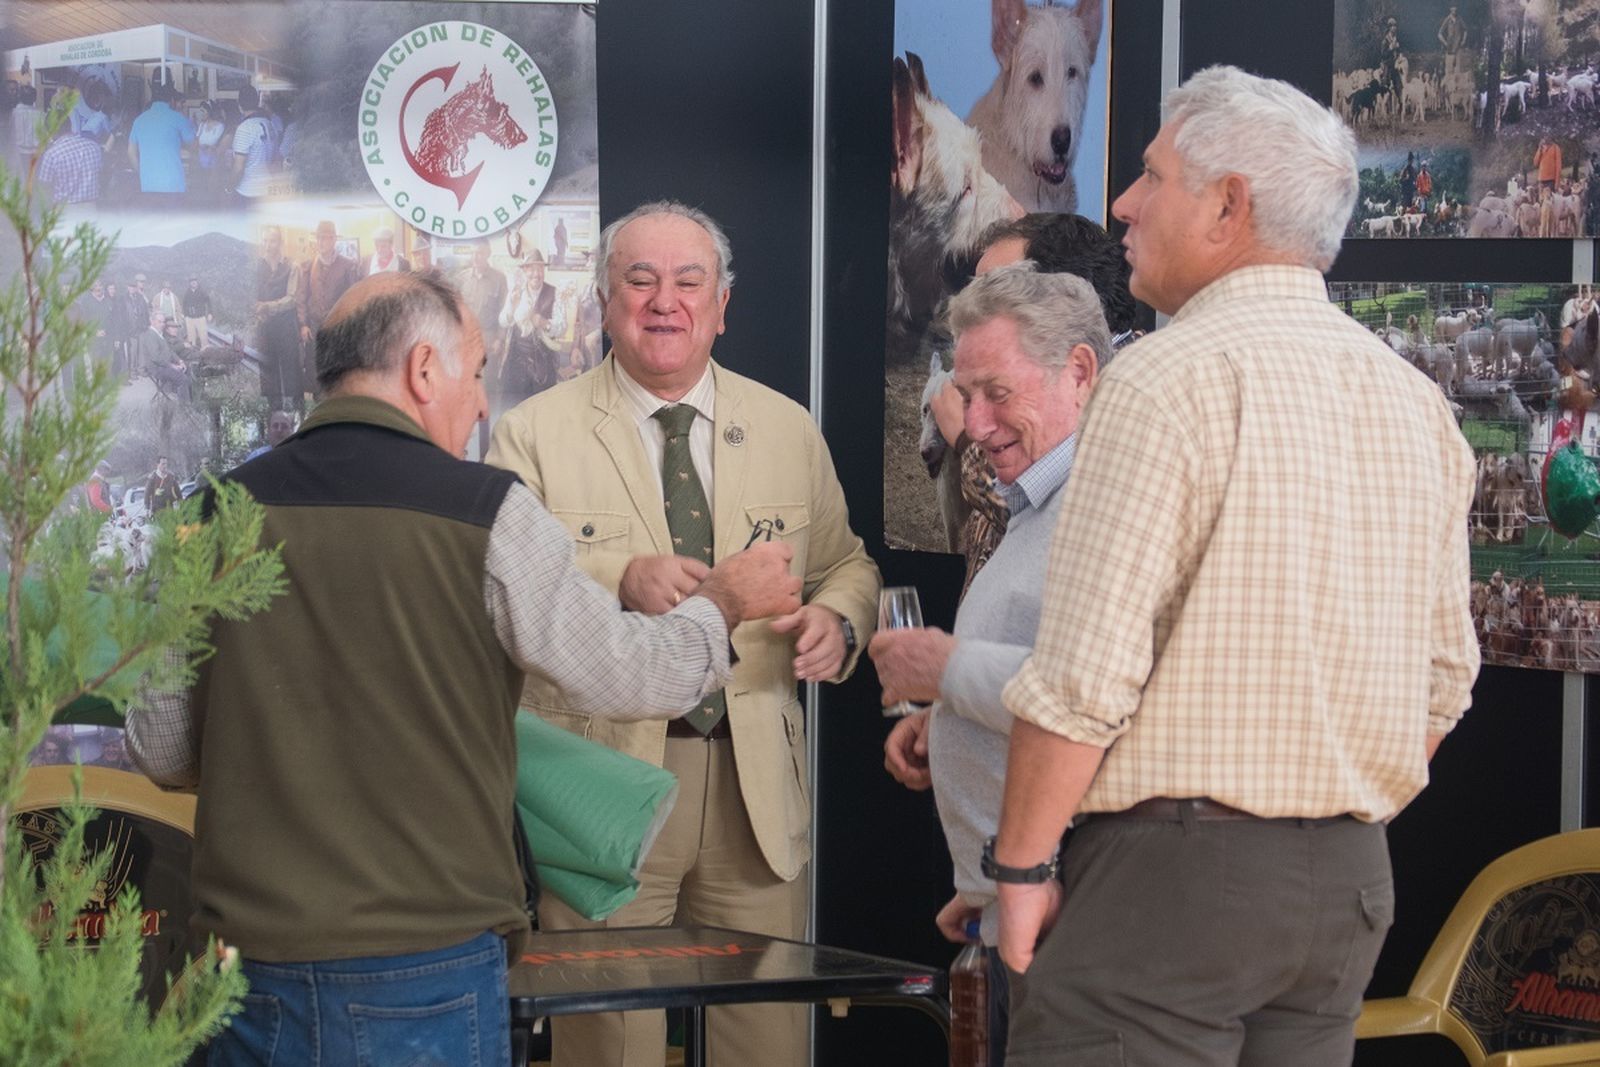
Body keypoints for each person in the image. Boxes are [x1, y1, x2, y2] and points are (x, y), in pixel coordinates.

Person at [125, 270, 804, 1067]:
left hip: (242, 965)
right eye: (477, 373)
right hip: (424, 964)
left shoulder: (213, 510)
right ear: (422, 369)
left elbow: (159, 745)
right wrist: (721, 601)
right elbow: (631, 674)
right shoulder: (487, 512)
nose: (483, 402)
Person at [990, 66, 1478, 1067]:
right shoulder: (1413, 399)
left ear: (1227, 206)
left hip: (1170, 880)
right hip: (1347, 876)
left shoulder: (1164, 377)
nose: (1120, 202)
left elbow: (1081, 680)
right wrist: (1322, 796)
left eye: (1150, 175)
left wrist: (1022, 864)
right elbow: (1444, 679)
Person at [487, 201, 881, 1067]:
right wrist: (616, 578)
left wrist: (837, 620)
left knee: (767, 1033)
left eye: (688, 281)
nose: (664, 301)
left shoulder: (786, 428)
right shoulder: (532, 434)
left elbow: (848, 564)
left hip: (754, 788)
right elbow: (495, 594)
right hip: (604, 784)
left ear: (722, 305)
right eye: (640, 280)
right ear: (603, 300)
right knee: (607, 1035)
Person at [873, 263, 1112, 1067]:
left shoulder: (1101, 509)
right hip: (1012, 901)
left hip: (1061, 916)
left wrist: (946, 670)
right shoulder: (1035, 500)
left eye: (996, 393)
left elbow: (1091, 697)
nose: (972, 422)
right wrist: (949, 722)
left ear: (1079, 372)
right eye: (963, 393)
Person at [924, 213, 1136, 596]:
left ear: (1068, 296)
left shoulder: (1133, 399)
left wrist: (966, 444)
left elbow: (1062, 531)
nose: (974, 303)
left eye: (998, 286)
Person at [296, 220, 362, 396]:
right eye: (318, 239)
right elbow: (301, 298)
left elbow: (353, 298)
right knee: (315, 368)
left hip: (337, 326)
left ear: (333, 240)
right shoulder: (308, 267)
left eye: (324, 239)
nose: (320, 242)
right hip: (314, 328)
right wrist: (303, 324)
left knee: (337, 368)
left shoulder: (348, 265)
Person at [496, 249, 566, 401]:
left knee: (542, 411)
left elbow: (562, 327)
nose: (536, 274)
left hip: (544, 364)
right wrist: (511, 308)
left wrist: (544, 323)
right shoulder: (515, 292)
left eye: (540, 268)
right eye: (531, 269)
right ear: (524, 270)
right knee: (513, 408)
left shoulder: (555, 293)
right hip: (516, 363)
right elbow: (503, 321)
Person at [254, 226, 304, 411]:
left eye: (272, 240)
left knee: (291, 366)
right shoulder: (257, 266)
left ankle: (297, 411)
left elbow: (291, 299)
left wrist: (268, 306)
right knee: (267, 366)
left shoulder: (292, 266)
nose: (268, 245)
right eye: (265, 241)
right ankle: (273, 410)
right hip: (265, 326)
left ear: (280, 242)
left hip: (286, 324)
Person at [127, 79, 195, 198]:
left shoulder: (139, 120)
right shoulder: (178, 118)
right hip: (173, 185)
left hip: (148, 185)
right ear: (172, 100)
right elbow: (194, 145)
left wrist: (143, 172)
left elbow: (131, 153)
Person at [456, 239, 508, 379]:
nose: (475, 257)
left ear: (488, 254)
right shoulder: (462, 279)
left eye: (479, 253)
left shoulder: (499, 279)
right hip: (467, 339)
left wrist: (500, 339)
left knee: (488, 385)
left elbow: (504, 312)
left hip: (489, 340)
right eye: (473, 253)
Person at [231, 83, 278, 202]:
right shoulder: (269, 124)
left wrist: (228, 188)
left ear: (239, 105)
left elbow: (239, 168)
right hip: (267, 188)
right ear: (257, 103)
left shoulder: (245, 128)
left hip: (248, 191)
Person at [36, 129, 103, 206]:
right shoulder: (94, 146)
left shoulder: (52, 154)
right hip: (91, 206)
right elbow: (100, 173)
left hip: (63, 208)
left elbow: (44, 185)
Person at [181, 277, 212, 348]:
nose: (193, 282)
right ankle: (193, 353)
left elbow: (209, 302)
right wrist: (186, 316)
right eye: (192, 281)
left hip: (200, 318)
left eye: (195, 281)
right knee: (191, 339)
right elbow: (184, 304)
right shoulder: (187, 292)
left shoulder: (202, 291)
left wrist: (210, 313)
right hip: (190, 319)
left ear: (197, 282)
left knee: (203, 338)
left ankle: (205, 352)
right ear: (189, 283)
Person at [1439, 6, 1467, 77]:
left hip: (1458, 46)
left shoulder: (1459, 19)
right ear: (1450, 9)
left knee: (1458, 68)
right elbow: (1439, 34)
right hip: (1450, 48)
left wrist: (1463, 40)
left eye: (1455, 8)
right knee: (1449, 68)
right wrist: (1445, 43)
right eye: (1452, 8)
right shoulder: (1447, 19)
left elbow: (1465, 30)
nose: (1454, 9)